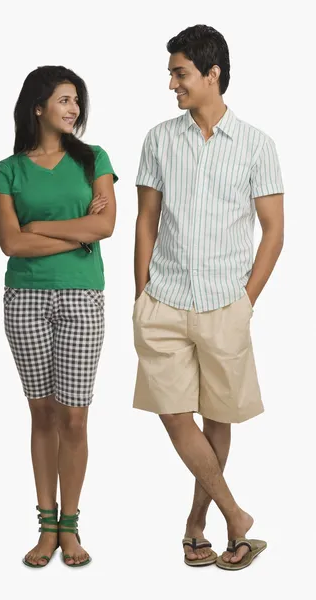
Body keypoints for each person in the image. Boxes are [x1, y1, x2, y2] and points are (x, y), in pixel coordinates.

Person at [133, 25, 284, 571]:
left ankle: (199, 525)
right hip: (165, 300)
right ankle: (236, 517)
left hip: (226, 303)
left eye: (180, 73)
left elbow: (273, 231)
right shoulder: (158, 138)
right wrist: (140, 293)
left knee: (217, 417)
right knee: (175, 415)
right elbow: (146, 220)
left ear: (212, 72)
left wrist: (246, 299)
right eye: (172, 73)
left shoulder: (257, 145)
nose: (172, 83)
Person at [0, 66, 118, 568]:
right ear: (38, 106)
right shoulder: (9, 169)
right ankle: (46, 527)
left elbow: (105, 225)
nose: (74, 110)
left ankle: (71, 527)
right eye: (64, 100)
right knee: (42, 414)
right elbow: (9, 242)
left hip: (83, 297)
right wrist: (73, 230)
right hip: (24, 299)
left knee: (75, 416)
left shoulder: (94, 160)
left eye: (77, 102)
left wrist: (38, 223)